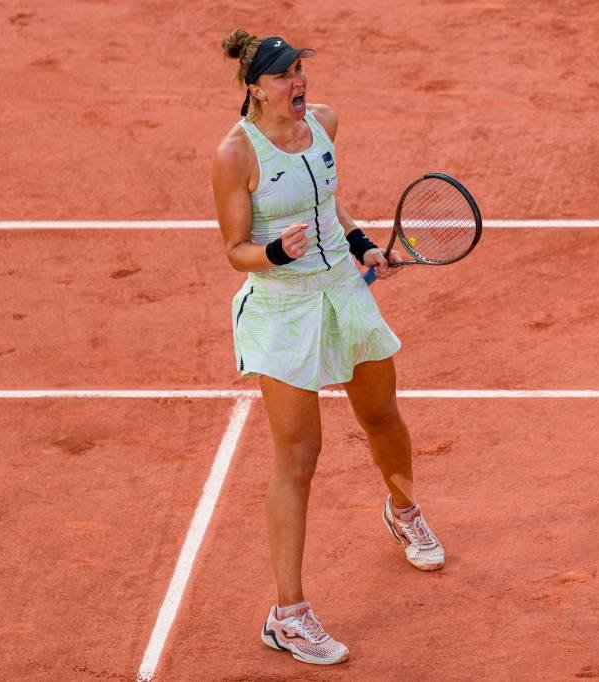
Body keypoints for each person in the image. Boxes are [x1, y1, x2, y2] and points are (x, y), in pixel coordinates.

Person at [210, 29, 445, 666]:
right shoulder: (236, 154)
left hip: (344, 289)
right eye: (285, 76)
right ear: (254, 88)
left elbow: (327, 202)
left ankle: (403, 510)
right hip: (283, 311)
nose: (299, 84)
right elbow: (236, 252)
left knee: (382, 417)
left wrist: (364, 243)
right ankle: (287, 615)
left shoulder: (325, 124)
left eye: (301, 71)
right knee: (299, 455)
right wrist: (276, 252)